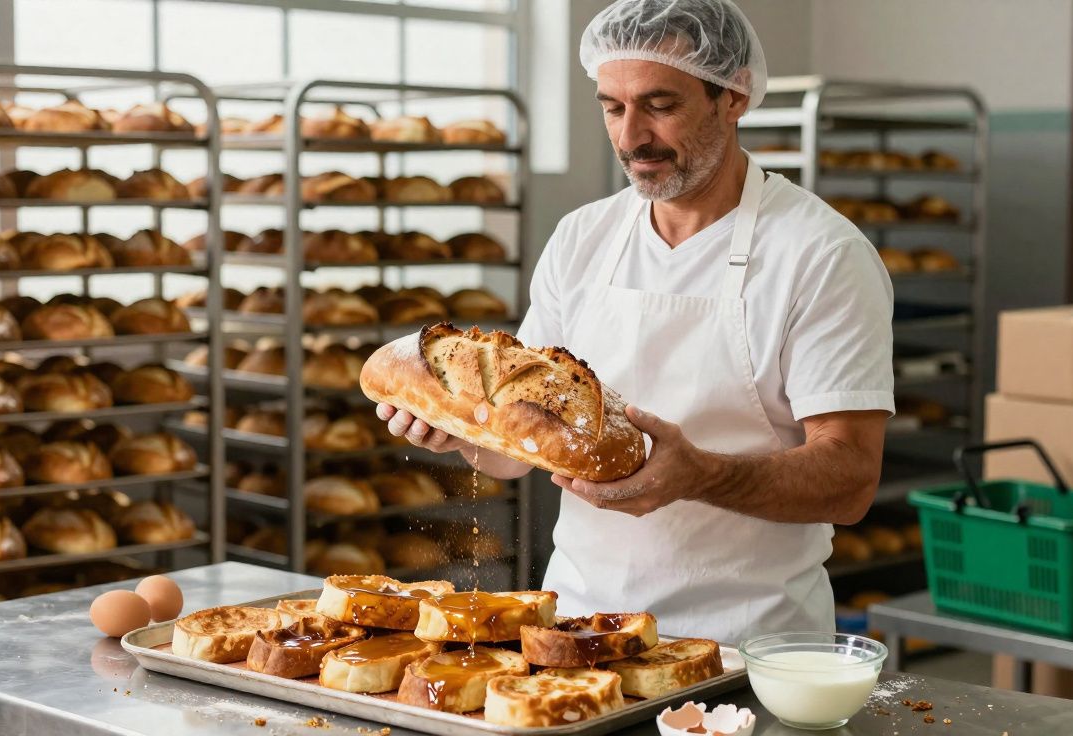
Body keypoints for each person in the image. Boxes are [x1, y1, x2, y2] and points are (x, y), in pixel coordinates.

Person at [376, 0, 893, 644]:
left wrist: (700, 474)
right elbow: (518, 449)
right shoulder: (581, 238)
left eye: (661, 105)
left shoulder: (821, 254)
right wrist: (458, 430)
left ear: (733, 96)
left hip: (746, 642)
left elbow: (849, 481)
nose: (630, 138)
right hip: (578, 627)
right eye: (612, 107)